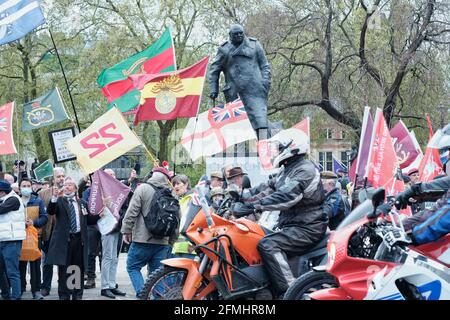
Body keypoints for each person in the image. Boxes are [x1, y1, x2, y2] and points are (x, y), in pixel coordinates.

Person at [236, 138, 327, 297]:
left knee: (268, 245)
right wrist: (243, 197)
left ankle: (290, 292)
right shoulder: (286, 170)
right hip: (292, 225)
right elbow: (267, 189)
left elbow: (287, 195)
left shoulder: (304, 169)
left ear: (292, 148)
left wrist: (255, 206)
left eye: (279, 148)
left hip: (308, 227)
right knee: (254, 235)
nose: (276, 152)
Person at [121, 167, 178, 298]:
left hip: (142, 239)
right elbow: (176, 219)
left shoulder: (143, 189)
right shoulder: (171, 193)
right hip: (163, 241)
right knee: (157, 276)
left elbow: (132, 212)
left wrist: (126, 230)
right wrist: (171, 241)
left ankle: (143, 295)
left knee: (132, 267)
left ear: (153, 175)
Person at [208, 24, 272, 140]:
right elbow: (214, 70)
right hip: (235, 93)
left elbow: (265, 65)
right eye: (235, 34)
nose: (239, 35)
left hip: (255, 90)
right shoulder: (224, 49)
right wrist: (214, 89)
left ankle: (264, 146)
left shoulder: (254, 45)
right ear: (230, 36)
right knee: (240, 125)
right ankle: (240, 152)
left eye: (241, 33)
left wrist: (265, 82)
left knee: (260, 120)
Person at [45, 177, 100, 300]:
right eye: (65, 185)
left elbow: (89, 220)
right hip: (65, 241)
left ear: (75, 188)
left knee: (77, 269)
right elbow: (51, 211)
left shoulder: (82, 203)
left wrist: (100, 214)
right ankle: (64, 295)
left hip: (78, 240)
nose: (67, 187)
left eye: (70, 185)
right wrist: (53, 197)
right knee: (64, 269)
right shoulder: (59, 201)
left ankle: (76, 295)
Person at [18, 178, 48, 300]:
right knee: (20, 264)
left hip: (35, 237)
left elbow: (44, 217)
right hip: (19, 237)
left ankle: (36, 290)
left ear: (31, 187)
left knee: (35, 264)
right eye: (23, 185)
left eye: (28, 185)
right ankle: (20, 288)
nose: (26, 187)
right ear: (19, 187)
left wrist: (34, 222)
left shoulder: (37, 201)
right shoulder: (16, 201)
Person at [99, 169, 126, 299]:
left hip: (118, 228)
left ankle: (112, 284)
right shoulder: (100, 191)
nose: (111, 177)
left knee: (115, 258)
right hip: (107, 228)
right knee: (107, 257)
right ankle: (105, 287)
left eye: (113, 175)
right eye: (108, 175)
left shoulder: (119, 191)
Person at [38, 167, 65, 297]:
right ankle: (45, 286)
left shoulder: (68, 191)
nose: (61, 178)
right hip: (49, 232)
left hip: (64, 233)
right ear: (53, 178)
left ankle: (64, 285)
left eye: (63, 176)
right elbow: (40, 213)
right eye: (58, 176)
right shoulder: (43, 193)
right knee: (47, 261)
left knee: (64, 261)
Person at [0, 179, 25, 300]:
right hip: (2, 240)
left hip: (12, 241)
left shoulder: (13, 200)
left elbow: (1, 209)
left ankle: (16, 297)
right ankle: (5, 295)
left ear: (2, 192)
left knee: (12, 272)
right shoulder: (3, 199)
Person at [171, 174, 195, 259]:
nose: (175, 186)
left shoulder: (193, 200)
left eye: (178, 184)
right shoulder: (179, 200)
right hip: (177, 248)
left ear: (186, 184)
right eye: (174, 184)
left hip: (189, 249)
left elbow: (195, 222)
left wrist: (192, 243)